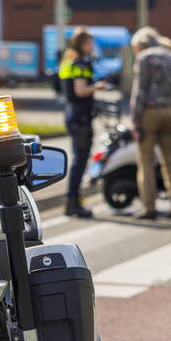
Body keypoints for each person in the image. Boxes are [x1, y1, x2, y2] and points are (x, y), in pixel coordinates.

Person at [130, 27, 171, 220]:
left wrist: (135, 120)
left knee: (146, 161)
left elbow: (139, 92)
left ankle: (149, 207)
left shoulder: (144, 58)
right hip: (170, 111)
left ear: (141, 44)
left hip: (149, 112)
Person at [58, 27, 108, 218]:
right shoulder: (80, 63)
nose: (92, 46)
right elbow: (80, 90)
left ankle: (72, 202)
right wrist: (97, 86)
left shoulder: (68, 61)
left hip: (73, 115)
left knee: (78, 160)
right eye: (89, 43)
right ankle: (73, 202)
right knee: (80, 161)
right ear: (82, 44)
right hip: (81, 118)